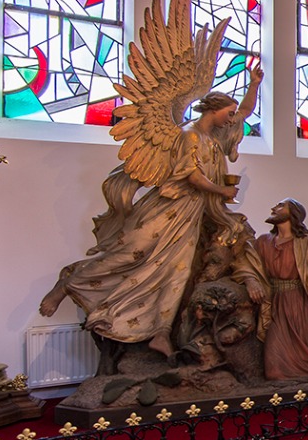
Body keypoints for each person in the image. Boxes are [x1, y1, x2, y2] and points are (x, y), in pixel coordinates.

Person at [40, 61, 265, 359]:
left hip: (190, 215)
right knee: (129, 253)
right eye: (228, 112)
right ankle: (68, 284)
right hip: (166, 208)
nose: (232, 118)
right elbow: (192, 176)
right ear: (214, 109)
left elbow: (245, 112)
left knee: (178, 270)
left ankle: (161, 331)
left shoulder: (214, 137)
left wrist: (254, 84)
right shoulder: (189, 135)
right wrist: (221, 190)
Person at [239, 199, 308, 381]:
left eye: (280, 206)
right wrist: (250, 280)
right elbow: (245, 261)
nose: (274, 208)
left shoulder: (306, 242)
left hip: (305, 304)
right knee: (275, 369)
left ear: (293, 213)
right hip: (277, 305)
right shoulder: (263, 242)